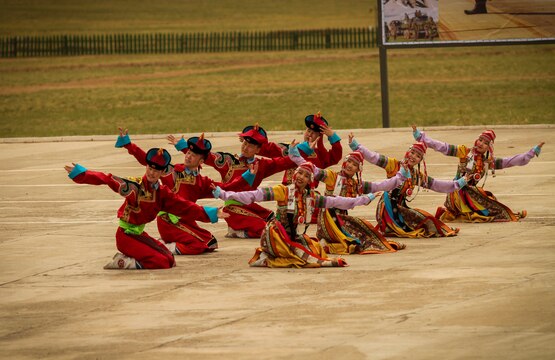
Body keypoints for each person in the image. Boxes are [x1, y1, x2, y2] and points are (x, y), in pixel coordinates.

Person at [65, 148, 225, 270]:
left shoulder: (162, 193)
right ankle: (122, 262)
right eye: (150, 168)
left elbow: (185, 207)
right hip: (125, 235)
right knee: (161, 262)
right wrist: (82, 174)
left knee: (170, 259)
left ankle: (134, 255)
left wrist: (211, 213)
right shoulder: (135, 187)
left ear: (162, 172)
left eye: (157, 170)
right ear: (146, 166)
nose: (152, 173)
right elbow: (108, 179)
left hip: (139, 234)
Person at [211, 162, 381, 268]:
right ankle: (275, 257)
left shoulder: (312, 197)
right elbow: (253, 195)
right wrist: (225, 195)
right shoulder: (282, 191)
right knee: (296, 255)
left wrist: (366, 198)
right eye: (299, 173)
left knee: (314, 247)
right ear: (294, 175)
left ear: (309, 181)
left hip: (296, 236)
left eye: (306, 176)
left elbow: (340, 202)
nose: (301, 177)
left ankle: (317, 259)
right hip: (277, 234)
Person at [116, 129, 245, 255]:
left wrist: (247, 177)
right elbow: (147, 159)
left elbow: (226, 188)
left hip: (186, 220)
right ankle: (164, 248)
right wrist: (128, 145)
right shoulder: (171, 172)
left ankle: (167, 243)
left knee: (211, 243)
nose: (188, 156)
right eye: (188, 153)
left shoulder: (203, 182)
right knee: (198, 245)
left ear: (201, 162)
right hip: (169, 221)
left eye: (193, 155)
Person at [169, 123, 297, 239]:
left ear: (258, 150)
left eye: (250, 146)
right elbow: (203, 156)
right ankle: (238, 230)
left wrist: (302, 149)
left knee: (275, 224)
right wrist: (182, 146)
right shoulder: (228, 162)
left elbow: (285, 162)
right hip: (233, 207)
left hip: (250, 205)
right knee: (266, 231)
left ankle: (240, 228)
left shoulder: (262, 165)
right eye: (244, 143)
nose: (245, 148)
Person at [288, 141, 408, 254]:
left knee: (363, 228)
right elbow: (310, 168)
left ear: (358, 169)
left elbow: (380, 185)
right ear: (344, 162)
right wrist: (295, 153)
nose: (350, 165)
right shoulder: (331, 177)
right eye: (349, 162)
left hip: (342, 218)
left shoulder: (356, 185)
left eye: (354, 164)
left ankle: (330, 244)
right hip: (329, 218)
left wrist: (400, 176)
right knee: (360, 232)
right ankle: (331, 244)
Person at [412, 125, 545, 222]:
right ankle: (507, 215)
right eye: (480, 140)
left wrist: (531, 153)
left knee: (487, 196)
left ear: (489, 147)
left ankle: (509, 214)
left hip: (471, 193)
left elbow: (510, 161)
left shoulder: (487, 162)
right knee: (480, 195)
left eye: (485, 143)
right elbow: (443, 147)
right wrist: (423, 138)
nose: (481, 143)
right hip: (456, 193)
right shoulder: (465, 152)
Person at [349, 135, 469, 238]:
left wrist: (457, 183)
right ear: (407, 152)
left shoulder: (416, 175)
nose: (413, 157)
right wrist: (357, 147)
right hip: (387, 207)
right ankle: (390, 226)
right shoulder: (393, 165)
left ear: (420, 161)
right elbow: (374, 157)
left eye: (417, 156)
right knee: (420, 223)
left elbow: (437, 185)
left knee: (427, 219)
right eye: (412, 152)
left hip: (401, 207)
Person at [259, 112, 343, 189]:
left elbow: (336, 156)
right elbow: (269, 149)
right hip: (288, 191)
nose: (309, 134)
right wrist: (254, 141)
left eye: (313, 133)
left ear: (319, 137)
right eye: (308, 131)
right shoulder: (291, 148)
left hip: (308, 193)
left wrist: (332, 136)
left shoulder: (320, 154)